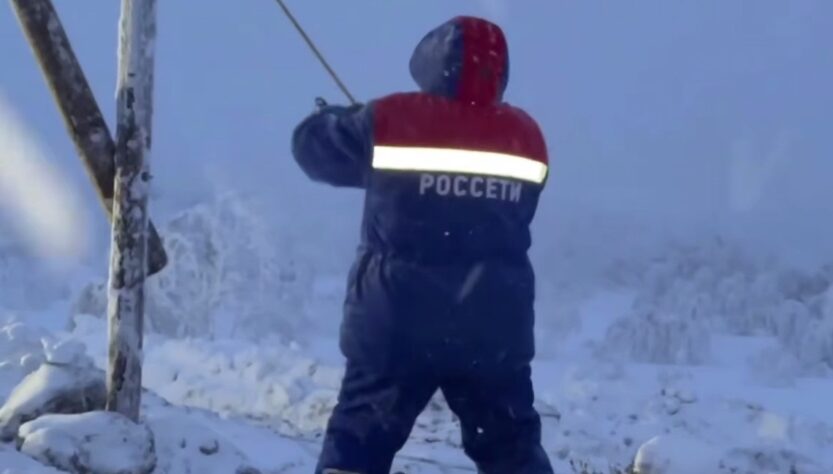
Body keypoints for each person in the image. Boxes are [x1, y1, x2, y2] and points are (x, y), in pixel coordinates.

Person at [291, 15, 554, 474]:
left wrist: (335, 118)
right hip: (491, 330)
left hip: (396, 324)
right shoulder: (526, 137)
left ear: (431, 62)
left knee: (358, 444)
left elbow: (312, 150)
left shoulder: (390, 119)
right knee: (512, 451)